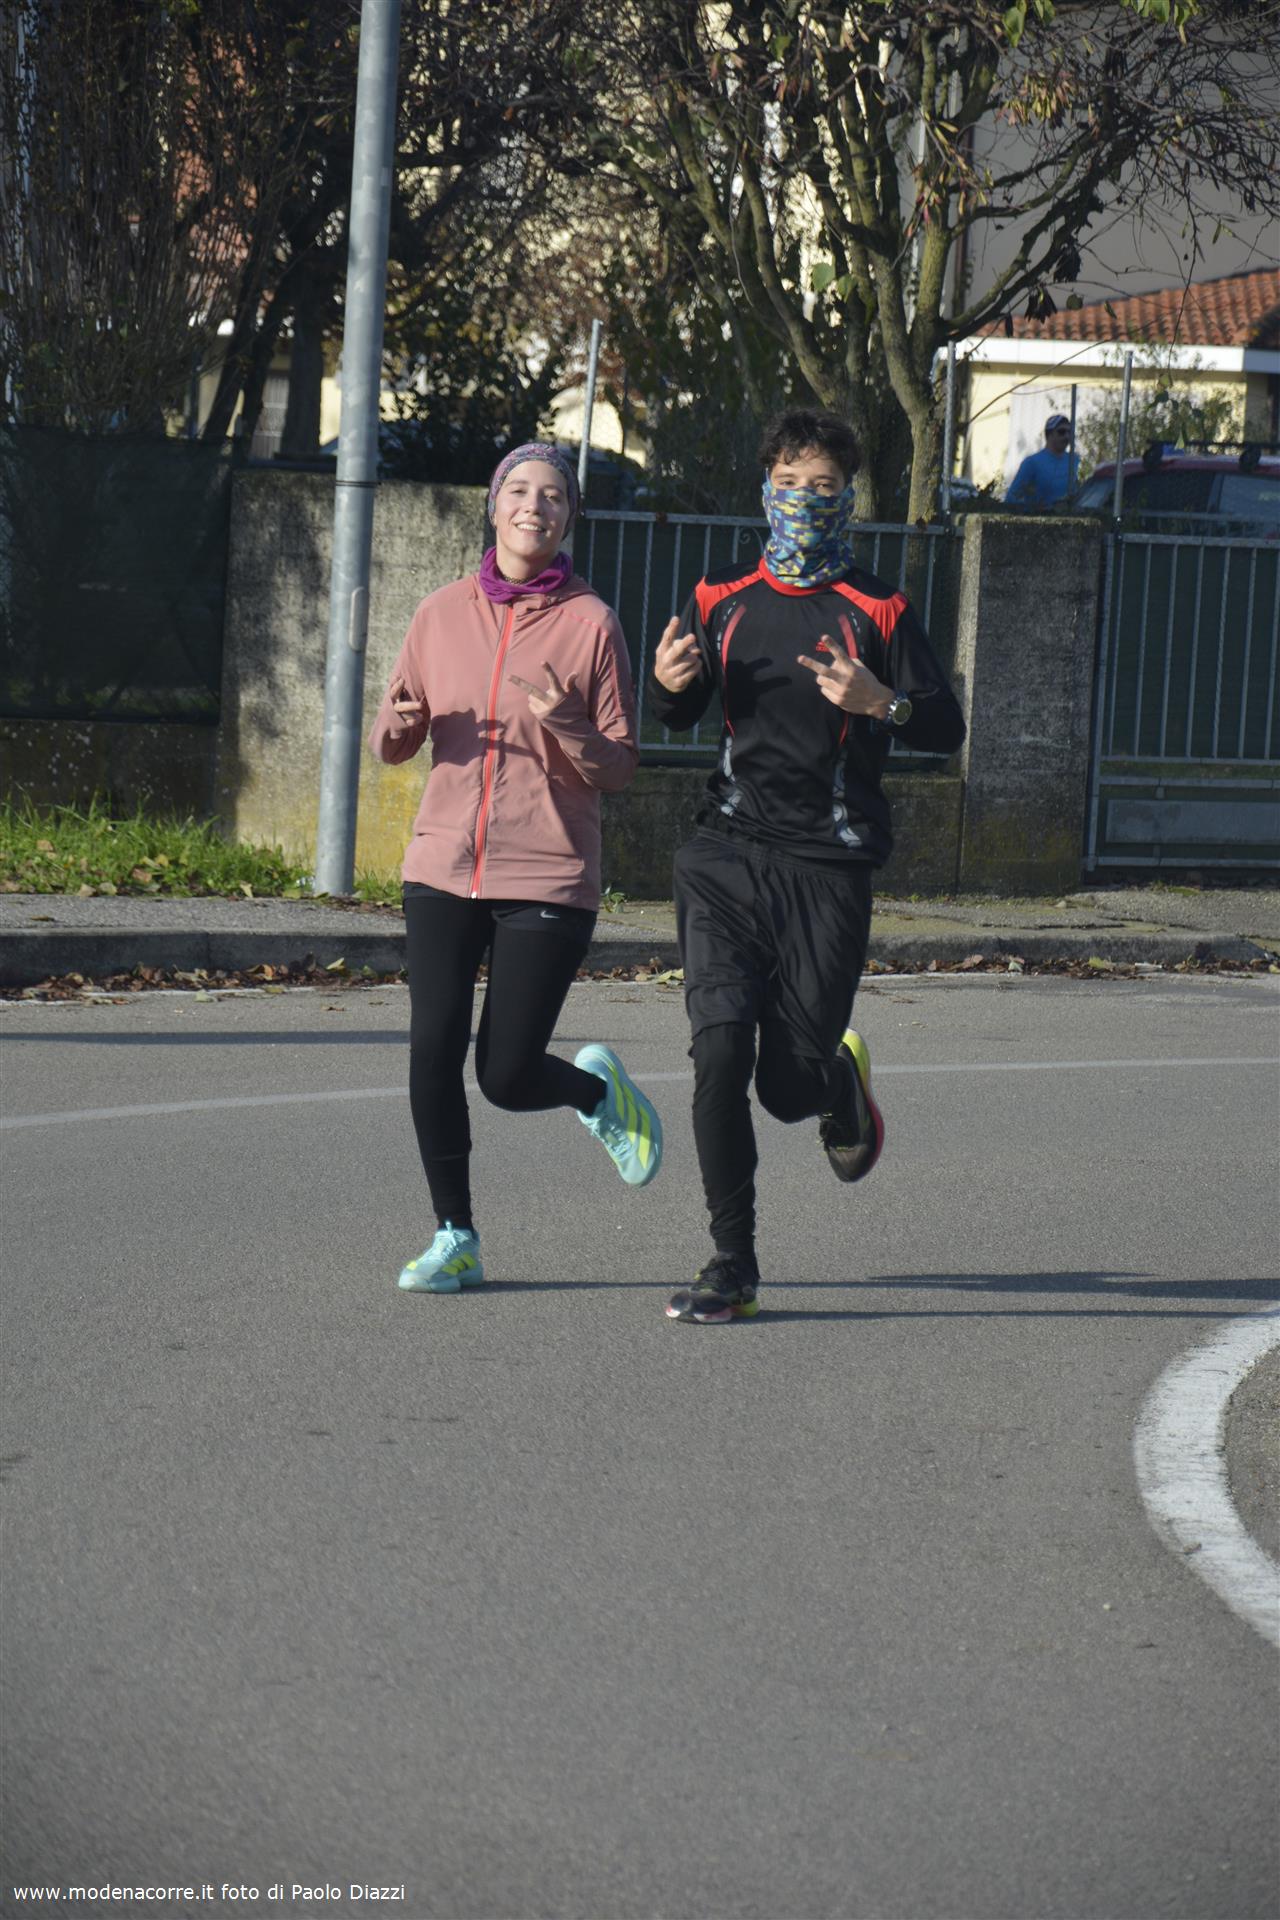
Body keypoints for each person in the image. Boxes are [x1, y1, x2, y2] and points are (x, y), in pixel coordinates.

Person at [649, 407, 965, 1324]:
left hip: (829, 865)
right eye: (788, 483)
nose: (803, 500)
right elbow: (680, 710)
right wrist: (666, 687)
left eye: (822, 485)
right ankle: (732, 1263)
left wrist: (882, 702)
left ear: (849, 497)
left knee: (784, 1090)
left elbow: (944, 728)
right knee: (719, 1054)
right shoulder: (719, 596)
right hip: (726, 853)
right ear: (764, 489)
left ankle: (835, 1086)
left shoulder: (880, 608)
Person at [369, 442, 662, 1294]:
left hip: (548, 871)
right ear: (494, 507)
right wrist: (400, 722)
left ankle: (596, 1094)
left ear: (570, 518)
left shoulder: (591, 623)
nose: (535, 505)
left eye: (554, 495)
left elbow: (618, 766)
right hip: (441, 865)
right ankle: (454, 1235)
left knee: (504, 1075)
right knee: (433, 1048)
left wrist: (567, 720)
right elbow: (391, 741)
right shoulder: (439, 614)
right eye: (520, 491)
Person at [1005, 413, 1075, 508]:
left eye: (1069, 432)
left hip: (1071, 515)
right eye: (1061, 432)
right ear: (1049, 435)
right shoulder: (1032, 463)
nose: (1066, 436)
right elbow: (1012, 498)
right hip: (1041, 516)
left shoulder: (1074, 461)